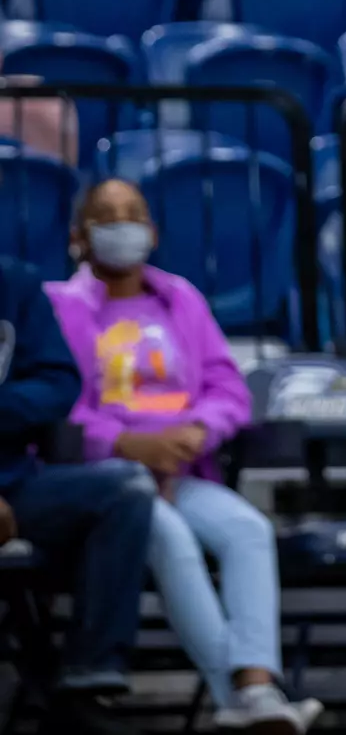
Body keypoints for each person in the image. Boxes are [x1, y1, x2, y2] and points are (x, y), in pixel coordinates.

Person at [48, 179, 325, 733]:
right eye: (106, 216)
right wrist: (128, 445)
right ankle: (250, 696)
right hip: (107, 482)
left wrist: (197, 433)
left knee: (247, 528)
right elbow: (58, 407)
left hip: (183, 468)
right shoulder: (59, 306)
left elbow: (228, 389)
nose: (121, 225)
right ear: (80, 235)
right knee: (169, 537)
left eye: (133, 214)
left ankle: (248, 694)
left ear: (152, 231)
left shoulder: (181, 298)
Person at [0, 254, 154, 735]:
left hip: (14, 484)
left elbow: (58, 382)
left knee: (124, 489)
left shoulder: (15, 283)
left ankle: (87, 681)